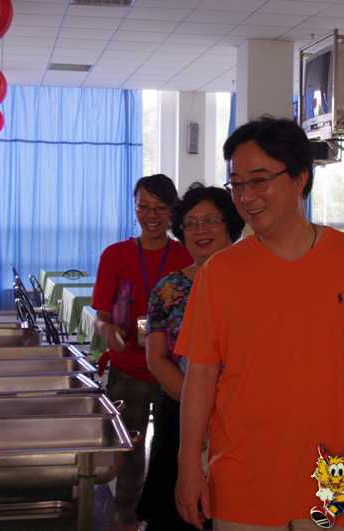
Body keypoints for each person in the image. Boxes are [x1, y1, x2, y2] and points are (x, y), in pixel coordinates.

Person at [174, 116, 344, 530]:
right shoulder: (221, 273)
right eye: (237, 184)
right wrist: (188, 463)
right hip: (243, 483)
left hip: (333, 484)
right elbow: (201, 375)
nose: (245, 197)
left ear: (300, 177)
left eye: (259, 180)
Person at [136, 183, 245, 530]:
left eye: (210, 220)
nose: (200, 230)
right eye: (191, 223)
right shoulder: (169, 289)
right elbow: (156, 358)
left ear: (230, 226)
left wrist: (224, 407)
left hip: (242, 419)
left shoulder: (254, 284)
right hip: (179, 415)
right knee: (175, 516)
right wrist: (198, 402)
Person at [92, 174, 193, 531]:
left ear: (173, 211)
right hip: (128, 369)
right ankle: (128, 521)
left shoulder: (186, 254)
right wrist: (107, 330)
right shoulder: (115, 255)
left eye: (160, 208)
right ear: (134, 208)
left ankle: (170, 519)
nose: (151, 216)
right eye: (143, 207)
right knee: (129, 454)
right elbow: (100, 315)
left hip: (176, 373)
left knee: (174, 452)